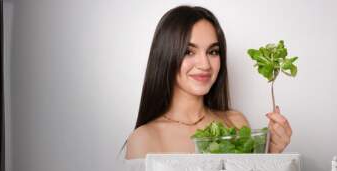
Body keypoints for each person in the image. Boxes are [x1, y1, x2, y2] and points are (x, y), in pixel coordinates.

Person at [124, 5, 292, 159]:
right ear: (166, 56)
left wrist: (271, 153)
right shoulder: (144, 139)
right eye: (189, 52)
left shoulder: (236, 123)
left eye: (213, 52)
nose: (205, 65)